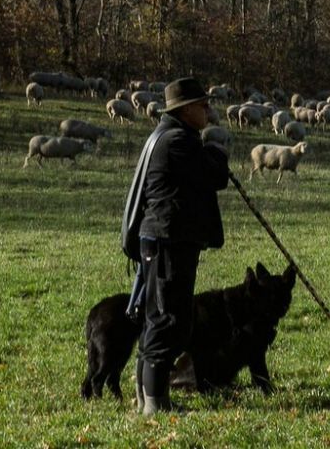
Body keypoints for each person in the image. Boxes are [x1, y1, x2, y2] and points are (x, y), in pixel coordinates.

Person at [121, 77, 229, 415]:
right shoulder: (179, 142)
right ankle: (155, 402)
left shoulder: (168, 136)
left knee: (161, 316)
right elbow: (216, 176)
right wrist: (216, 149)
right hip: (170, 240)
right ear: (185, 110)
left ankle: (148, 397)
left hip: (165, 238)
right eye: (202, 105)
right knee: (169, 319)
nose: (208, 111)